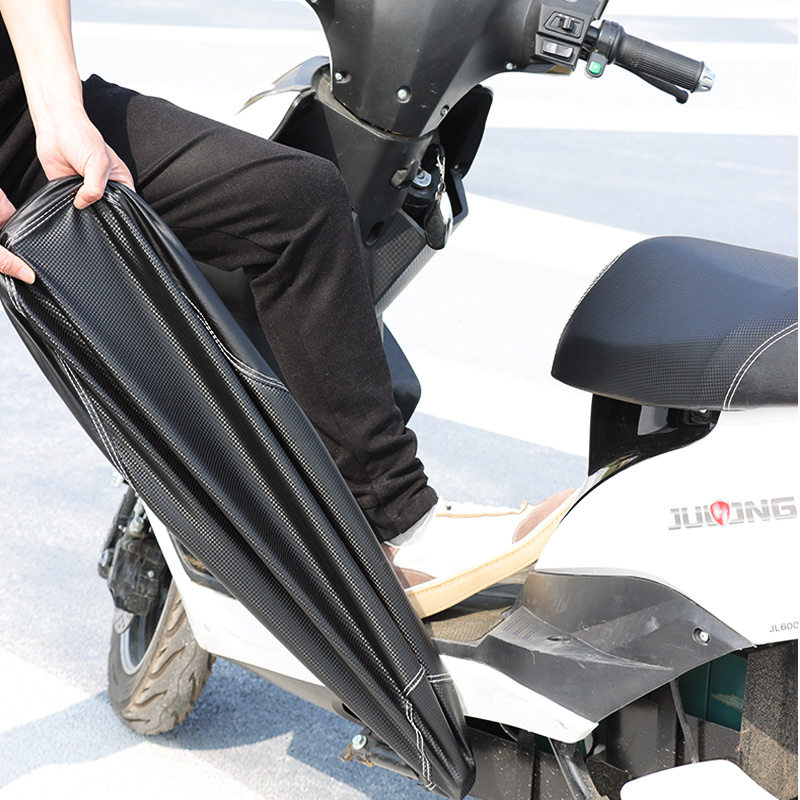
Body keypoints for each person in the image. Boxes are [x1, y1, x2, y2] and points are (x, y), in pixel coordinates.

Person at [0, 0, 571, 616]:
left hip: (22, 104)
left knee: (299, 201)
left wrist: (58, 108)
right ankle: (389, 531)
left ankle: (396, 522)